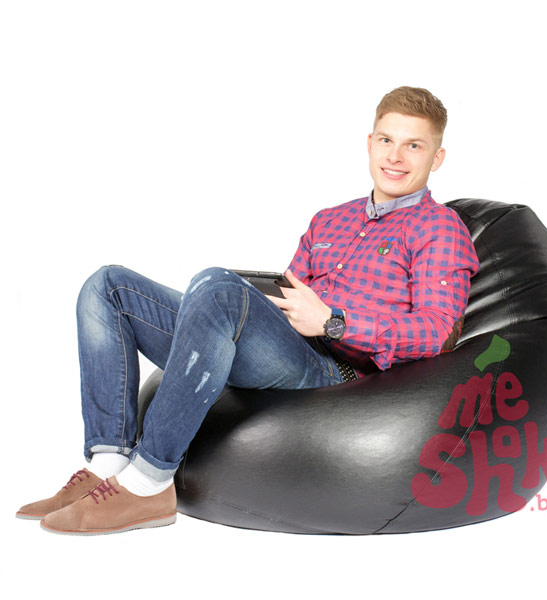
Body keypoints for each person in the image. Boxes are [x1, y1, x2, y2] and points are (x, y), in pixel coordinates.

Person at [16, 86, 480, 535]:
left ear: (436, 157)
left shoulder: (439, 229)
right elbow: (288, 292)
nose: (395, 157)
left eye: (413, 145)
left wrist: (333, 322)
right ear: (370, 143)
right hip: (283, 348)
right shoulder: (329, 219)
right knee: (108, 286)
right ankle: (108, 467)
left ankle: (148, 483)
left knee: (217, 285)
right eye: (386, 140)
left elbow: (437, 331)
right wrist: (269, 308)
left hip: (335, 372)